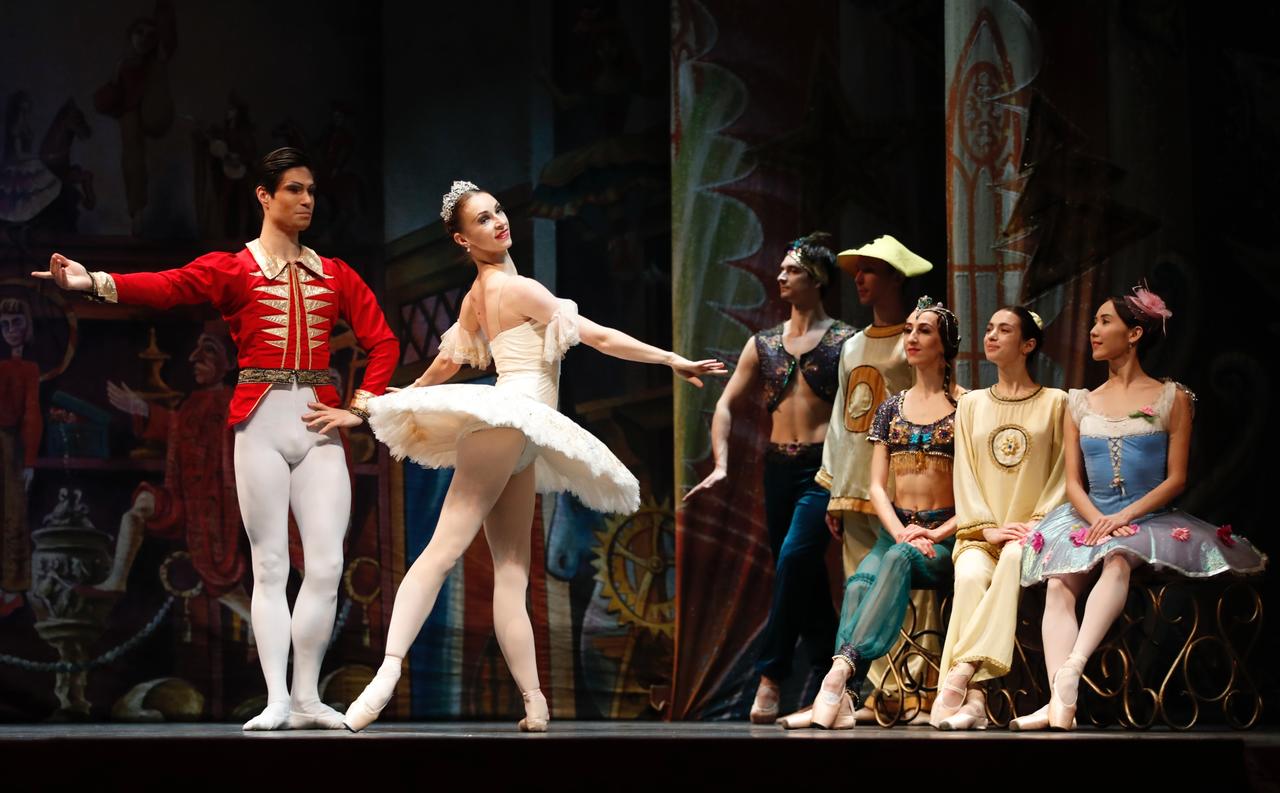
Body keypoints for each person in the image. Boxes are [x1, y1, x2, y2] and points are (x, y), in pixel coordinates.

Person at [34, 147, 399, 731]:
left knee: (328, 565)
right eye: (294, 190)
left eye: (311, 190)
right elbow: (168, 287)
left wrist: (358, 407)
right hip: (260, 425)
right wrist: (92, 282)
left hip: (317, 424)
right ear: (264, 196)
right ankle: (278, 698)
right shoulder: (235, 268)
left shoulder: (335, 274)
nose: (307, 200)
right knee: (270, 565)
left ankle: (307, 697)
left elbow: (383, 342)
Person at [344, 181, 724, 732]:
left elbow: (448, 362)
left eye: (497, 211)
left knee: (513, 571)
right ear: (462, 240)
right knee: (445, 549)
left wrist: (413, 390)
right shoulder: (516, 289)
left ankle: (535, 702)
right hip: (511, 419)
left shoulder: (477, 296)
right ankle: (385, 676)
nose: (498, 221)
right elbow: (599, 337)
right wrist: (671, 360)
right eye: (482, 219)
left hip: (523, 432)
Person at [1019, 285, 1267, 730]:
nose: (1093, 331)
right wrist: (1098, 519)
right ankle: (1060, 704)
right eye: (1094, 322)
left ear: (1134, 334)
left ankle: (1073, 669)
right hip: (1090, 516)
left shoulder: (1173, 398)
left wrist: (1124, 518)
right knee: (1059, 584)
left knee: (1117, 559)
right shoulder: (1079, 401)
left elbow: (1176, 479)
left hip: (1146, 519)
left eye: (1104, 321)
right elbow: (1072, 482)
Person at [684, 232, 855, 724]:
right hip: (778, 467)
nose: (780, 276)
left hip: (824, 468)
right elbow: (724, 404)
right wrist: (721, 464)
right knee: (802, 575)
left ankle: (771, 675)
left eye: (792, 270)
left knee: (795, 558)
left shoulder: (846, 341)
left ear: (816, 280)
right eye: (781, 268)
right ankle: (831, 678)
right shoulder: (763, 344)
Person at [806, 297, 964, 729]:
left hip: (944, 535)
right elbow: (877, 486)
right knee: (858, 584)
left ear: (945, 345)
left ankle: (840, 675)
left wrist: (933, 535)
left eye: (924, 331)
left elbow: (977, 491)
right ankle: (845, 693)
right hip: (895, 532)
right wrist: (900, 531)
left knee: (897, 559)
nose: (912, 337)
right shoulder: (891, 407)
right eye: (909, 329)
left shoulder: (966, 407)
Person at [814, 235, 936, 722]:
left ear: (895, 278)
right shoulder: (852, 344)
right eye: (857, 272)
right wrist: (834, 486)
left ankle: (918, 688)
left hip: (904, 484)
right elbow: (842, 419)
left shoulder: (913, 341)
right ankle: (877, 693)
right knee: (862, 589)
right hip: (856, 482)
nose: (860, 280)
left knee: (907, 583)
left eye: (870, 270)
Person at [931, 307, 1067, 730]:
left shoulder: (1056, 403)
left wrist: (1037, 524)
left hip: (1033, 535)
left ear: (1028, 345)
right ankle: (973, 701)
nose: (991, 335)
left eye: (1004, 330)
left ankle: (962, 673)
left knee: (1012, 558)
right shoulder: (971, 404)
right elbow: (964, 474)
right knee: (971, 576)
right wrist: (986, 528)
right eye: (989, 328)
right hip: (980, 535)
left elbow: (1064, 474)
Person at [0, 297, 41, 616]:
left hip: (11, 444)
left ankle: (12, 588)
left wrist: (29, 460)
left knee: (14, 513)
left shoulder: (28, 369)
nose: (11, 330)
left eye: (16, 323)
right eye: (4, 325)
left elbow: (31, 413)